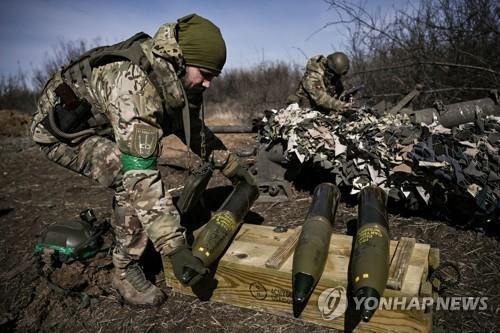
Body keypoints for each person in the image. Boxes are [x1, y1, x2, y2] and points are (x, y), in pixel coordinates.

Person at [30, 14, 255, 306]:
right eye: (205, 73)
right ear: (182, 60)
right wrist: (175, 248)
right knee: (129, 181)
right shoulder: (135, 87)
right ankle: (124, 270)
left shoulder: (175, 78)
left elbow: (195, 132)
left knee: (137, 172)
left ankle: (136, 242)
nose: (209, 83)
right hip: (61, 133)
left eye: (215, 76)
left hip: (100, 123)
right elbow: (140, 175)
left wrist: (233, 168)